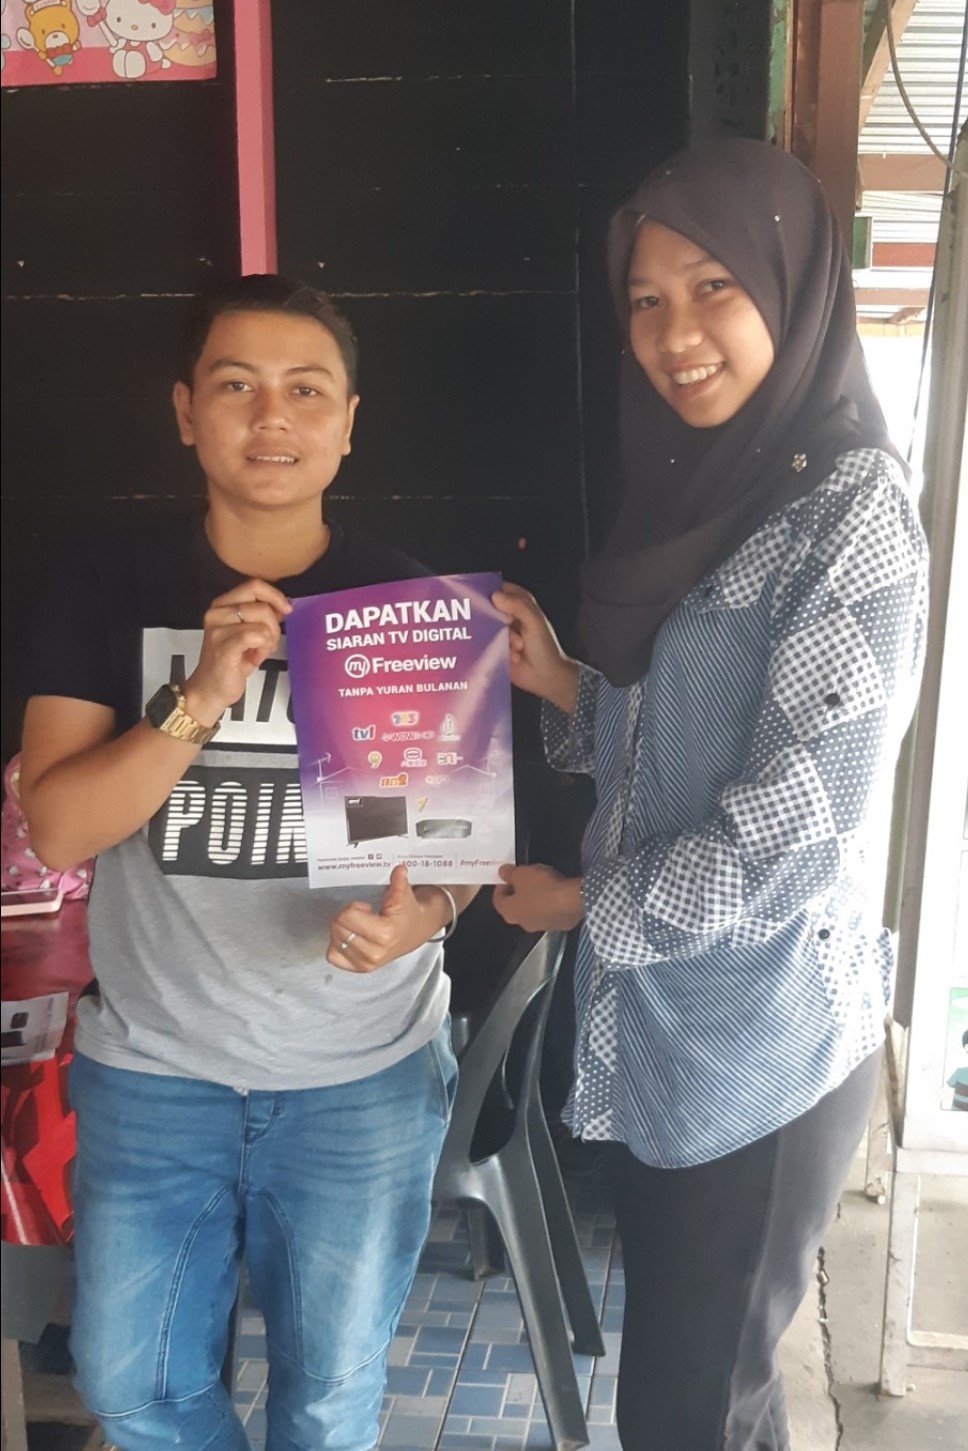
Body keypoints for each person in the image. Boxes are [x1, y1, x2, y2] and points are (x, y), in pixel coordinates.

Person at [492, 138, 928, 1451]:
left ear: (792, 289)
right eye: (644, 298)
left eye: (713, 288)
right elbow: (674, 743)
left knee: (688, 1413)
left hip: (760, 1045)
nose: (674, 335)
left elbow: (792, 831)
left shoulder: (849, 514)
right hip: (678, 1037)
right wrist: (564, 684)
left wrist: (582, 901)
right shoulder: (715, 488)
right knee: (710, 1398)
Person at [19, 275, 476, 1451]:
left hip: (358, 1072)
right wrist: (201, 694)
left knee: (326, 1404)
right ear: (186, 412)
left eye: (305, 390)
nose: (272, 416)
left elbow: (453, 848)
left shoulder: (403, 602)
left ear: (348, 421)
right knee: (129, 1388)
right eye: (236, 386)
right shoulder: (102, 583)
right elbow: (60, 826)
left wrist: (421, 914)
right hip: (154, 1070)